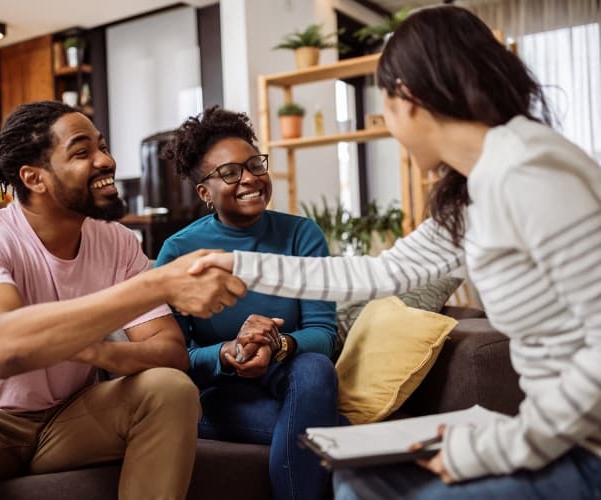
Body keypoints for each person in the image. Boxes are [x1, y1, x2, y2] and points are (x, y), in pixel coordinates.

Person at [187, 6, 601, 499]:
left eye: (385, 103)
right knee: (357, 476)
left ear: (411, 96)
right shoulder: (480, 188)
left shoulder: (533, 173)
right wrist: (238, 264)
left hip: (582, 449)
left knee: (364, 489)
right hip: (555, 439)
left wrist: (498, 447)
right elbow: (379, 273)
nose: (387, 123)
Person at [0, 101, 246, 500]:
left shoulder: (115, 240)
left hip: (69, 419)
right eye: (82, 152)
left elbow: (171, 353)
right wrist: (158, 284)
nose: (106, 160)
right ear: (34, 178)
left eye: (102, 146)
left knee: (169, 388)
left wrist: (94, 351)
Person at [155, 106, 341, 500]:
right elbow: (175, 355)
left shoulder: (301, 235)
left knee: (314, 366)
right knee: (331, 427)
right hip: (218, 396)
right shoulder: (178, 251)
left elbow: (324, 334)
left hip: (291, 381)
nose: (250, 179)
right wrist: (228, 352)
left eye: (255, 164)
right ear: (204, 192)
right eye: (230, 172)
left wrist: (277, 343)